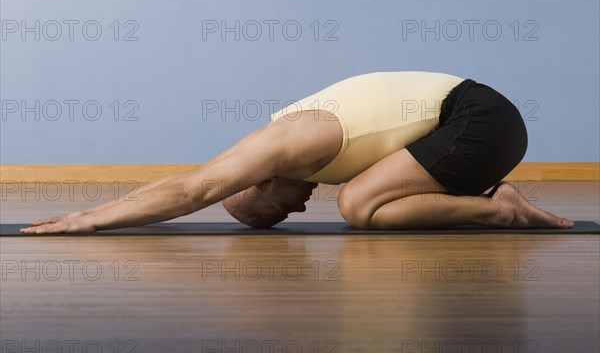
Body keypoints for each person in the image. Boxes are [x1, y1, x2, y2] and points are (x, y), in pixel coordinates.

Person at [20, 72, 574, 234]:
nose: (297, 209)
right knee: (369, 207)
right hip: (472, 130)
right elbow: (193, 177)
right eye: (285, 217)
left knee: (357, 205)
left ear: (262, 181)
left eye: (278, 209)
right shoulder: (292, 155)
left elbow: (193, 188)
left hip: (481, 117)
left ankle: (504, 208)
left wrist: (87, 218)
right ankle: (499, 206)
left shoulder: (290, 141)